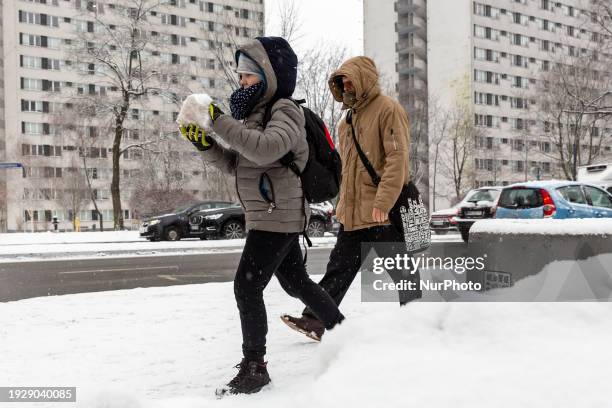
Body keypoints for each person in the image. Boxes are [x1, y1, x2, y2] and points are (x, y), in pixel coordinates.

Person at [179, 37, 344, 396]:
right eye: (240, 77)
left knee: (246, 285)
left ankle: (255, 367)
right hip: (267, 214)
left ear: (269, 75)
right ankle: (343, 332)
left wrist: (216, 119)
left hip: (278, 215)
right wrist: (203, 142)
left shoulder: (285, 111)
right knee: (296, 283)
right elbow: (236, 163)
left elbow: (267, 148)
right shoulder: (253, 117)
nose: (242, 83)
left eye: (248, 77)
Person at [281, 56, 421, 341]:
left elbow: (397, 160)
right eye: (341, 82)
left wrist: (382, 203)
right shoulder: (347, 120)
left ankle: (418, 323)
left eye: (350, 81)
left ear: (364, 80)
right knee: (339, 269)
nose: (345, 87)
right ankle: (317, 320)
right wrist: (341, 206)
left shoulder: (387, 110)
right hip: (353, 214)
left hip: (382, 211)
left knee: (402, 270)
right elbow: (349, 170)